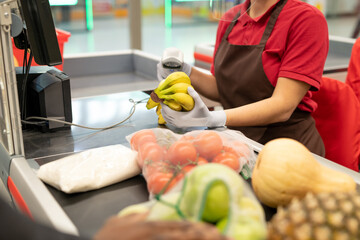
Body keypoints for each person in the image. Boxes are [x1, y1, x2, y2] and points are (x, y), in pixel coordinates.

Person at [158, 0, 329, 156]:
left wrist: (214, 118)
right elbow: (223, 89)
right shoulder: (230, 19)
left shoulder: (305, 19)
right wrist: (187, 72)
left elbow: (283, 105)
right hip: (238, 144)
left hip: (288, 150)